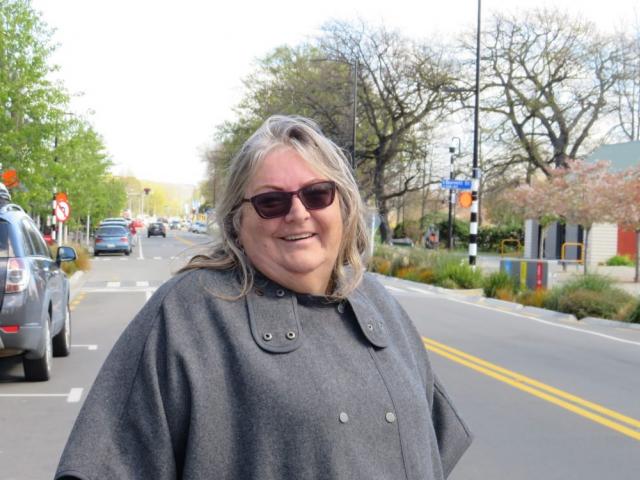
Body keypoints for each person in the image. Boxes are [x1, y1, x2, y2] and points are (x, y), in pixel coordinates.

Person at [55, 115, 472, 479]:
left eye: (316, 194)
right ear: (238, 221)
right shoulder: (187, 315)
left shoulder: (377, 302)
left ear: (342, 205)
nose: (298, 212)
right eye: (271, 202)